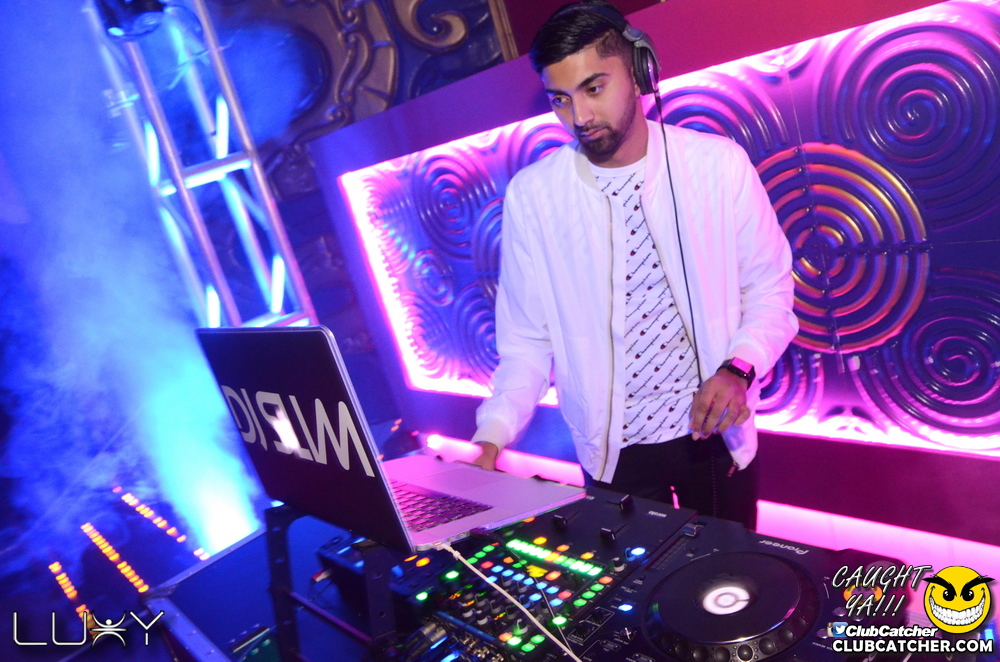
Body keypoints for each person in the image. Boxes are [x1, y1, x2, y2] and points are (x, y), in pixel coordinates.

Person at [470, 0, 798, 530]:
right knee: (632, 582)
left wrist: (738, 368)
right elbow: (526, 341)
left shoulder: (718, 165)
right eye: (561, 99)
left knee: (727, 572)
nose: (579, 117)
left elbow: (770, 292)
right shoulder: (533, 196)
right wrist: (492, 435)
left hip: (712, 435)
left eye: (594, 88)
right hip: (610, 455)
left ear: (641, 73)